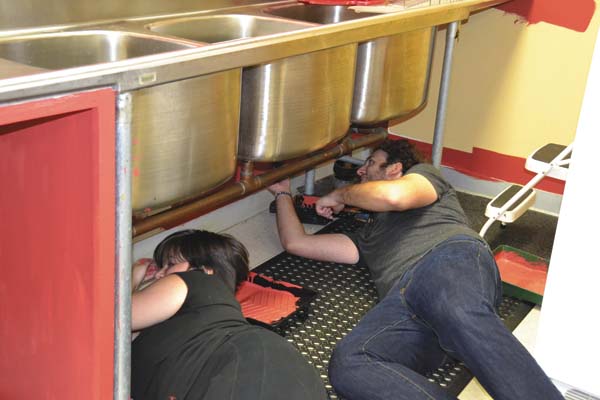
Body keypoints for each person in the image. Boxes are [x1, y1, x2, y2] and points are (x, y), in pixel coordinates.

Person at [268, 139, 563, 400]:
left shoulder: (424, 177)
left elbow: (395, 197)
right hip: (404, 302)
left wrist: (340, 195)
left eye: (370, 163)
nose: (361, 171)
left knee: (456, 310)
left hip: (447, 259)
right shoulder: (367, 236)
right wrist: (282, 194)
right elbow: (297, 243)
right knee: (350, 362)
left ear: (395, 169)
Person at [130, 229, 328, 400]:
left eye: (170, 264)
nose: (159, 274)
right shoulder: (194, 321)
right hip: (283, 374)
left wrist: (130, 277)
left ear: (206, 269)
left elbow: (116, 319)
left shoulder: (193, 280)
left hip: (244, 365)